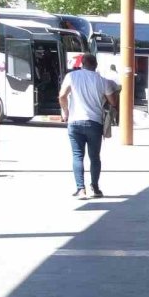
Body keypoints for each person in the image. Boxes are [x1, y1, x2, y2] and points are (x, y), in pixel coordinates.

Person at [58, 53, 116, 199]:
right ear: (95, 65)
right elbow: (113, 102)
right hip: (94, 123)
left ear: (82, 64)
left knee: (77, 156)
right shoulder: (103, 81)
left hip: (74, 122)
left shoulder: (72, 76)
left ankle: (81, 189)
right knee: (95, 157)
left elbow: (62, 96)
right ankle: (95, 188)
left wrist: (65, 113)